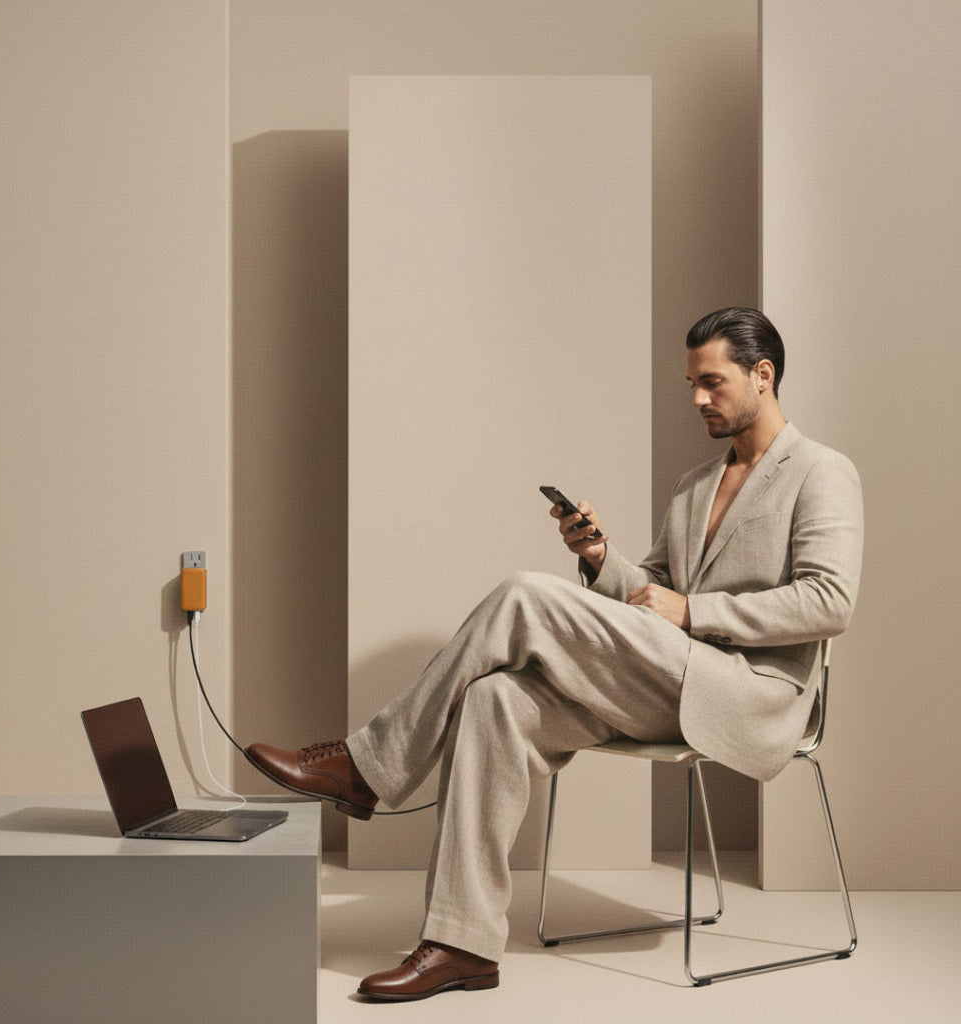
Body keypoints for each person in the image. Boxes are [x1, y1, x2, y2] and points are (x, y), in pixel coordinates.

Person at [245, 307, 864, 1002]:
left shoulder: (821, 472)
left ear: (763, 374)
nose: (696, 398)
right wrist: (601, 558)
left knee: (521, 594)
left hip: (746, 693)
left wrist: (695, 611)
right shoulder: (695, 485)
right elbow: (651, 593)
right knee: (493, 699)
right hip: (667, 677)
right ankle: (462, 943)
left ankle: (368, 766)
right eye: (690, 383)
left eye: (711, 382)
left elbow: (828, 601)